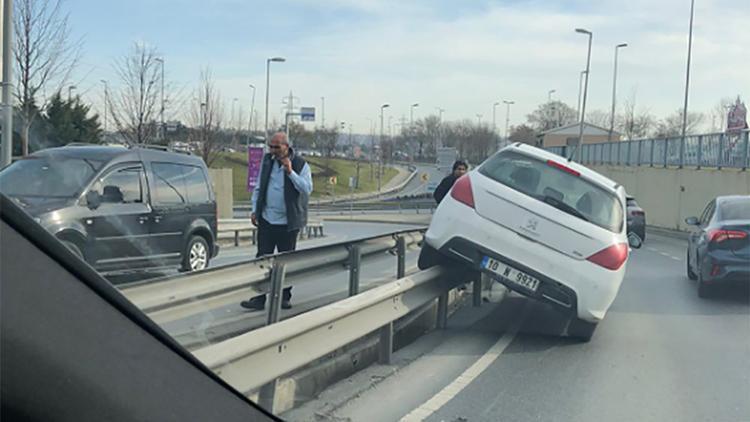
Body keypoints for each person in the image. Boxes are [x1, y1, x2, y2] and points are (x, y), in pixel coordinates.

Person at [240, 132, 313, 311]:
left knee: (285, 261)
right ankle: (259, 299)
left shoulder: (300, 164)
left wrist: (290, 172)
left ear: (286, 147)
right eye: (270, 146)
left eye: (276, 147)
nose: (272, 150)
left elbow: (307, 189)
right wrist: (255, 210)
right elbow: (259, 186)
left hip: (288, 223)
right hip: (267, 219)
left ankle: (284, 297)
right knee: (262, 259)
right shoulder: (267, 161)